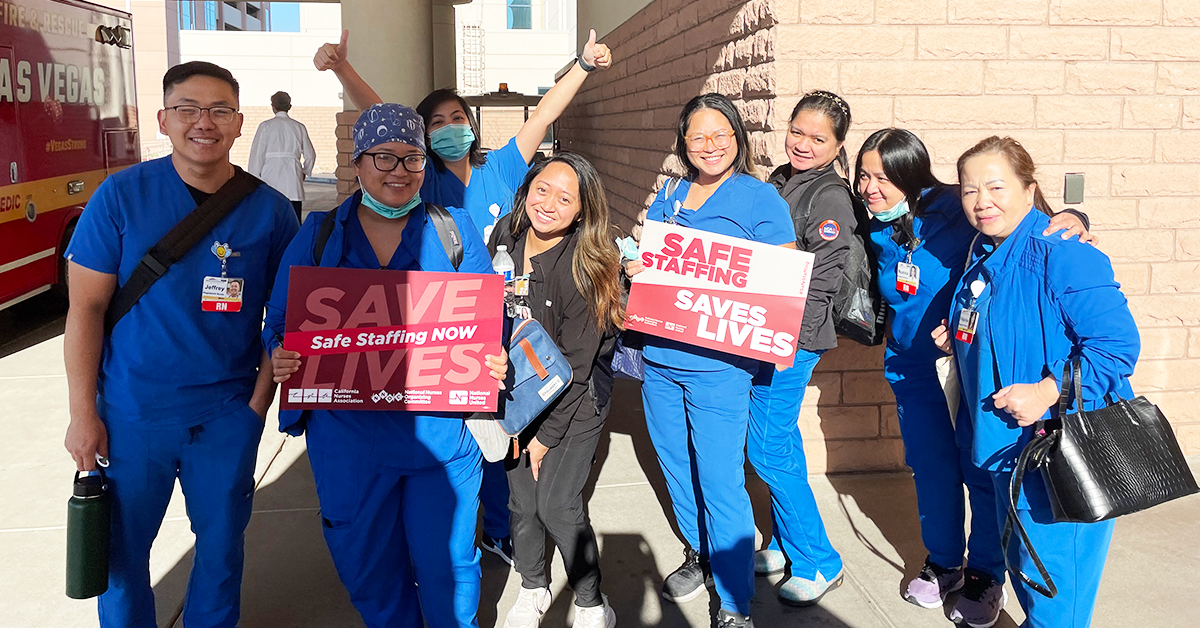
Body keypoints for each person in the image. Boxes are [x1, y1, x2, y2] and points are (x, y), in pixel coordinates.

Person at [314, 27, 611, 564]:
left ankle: (500, 529)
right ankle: (481, 525)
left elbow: (543, 114)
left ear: (471, 125)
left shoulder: (499, 168)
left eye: (457, 118)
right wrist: (342, 71)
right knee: (472, 433)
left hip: (510, 322)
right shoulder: (421, 182)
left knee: (508, 430)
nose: (449, 128)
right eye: (436, 122)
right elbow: (380, 109)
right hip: (447, 331)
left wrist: (583, 67)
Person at [62, 61, 299, 628]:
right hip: (133, 414)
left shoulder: (267, 210)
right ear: (164, 119)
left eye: (219, 110)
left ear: (240, 123)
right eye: (189, 109)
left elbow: (286, 317)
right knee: (122, 559)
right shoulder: (121, 197)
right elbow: (86, 309)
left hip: (226, 415)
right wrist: (82, 413)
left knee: (220, 553)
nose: (204, 122)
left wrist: (257, 405)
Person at [264, 103, 509, 628]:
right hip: (350, 443)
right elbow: (282, 320)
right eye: (384, 157)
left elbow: (489, 319)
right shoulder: (320, 234)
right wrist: (281, 354)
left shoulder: (455, 230)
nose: (400, 171)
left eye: (412, 159)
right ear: (358, 163)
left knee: (452, 567)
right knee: (368, 570)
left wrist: (495, 355)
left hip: (442, 440)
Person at [856, 129, 1092, 626]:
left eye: (884, 175)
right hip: (915, 372)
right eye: (863, 174)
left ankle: (985, 575)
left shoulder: (957, 212)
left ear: (913, 174)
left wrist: (1075, 218)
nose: (870, 186)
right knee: (933, 469)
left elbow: (1029, 224)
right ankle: (944, 563)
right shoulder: (870, 221)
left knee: (985, 475)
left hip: (969, 376)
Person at [933, 136, 1138, 628]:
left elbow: (1116, 347)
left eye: (996, 187)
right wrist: (959, 337)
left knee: (1056, 595)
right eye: (969, 190)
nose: (982, 201)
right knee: (1029, 577)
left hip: (1058, 457)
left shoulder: (1064, 253)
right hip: (1003, 452)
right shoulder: (983, 253)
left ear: (1030, 190)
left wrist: (1048, 392)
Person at [625, 93, 797, 628]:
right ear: (683, 143)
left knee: (720, 477)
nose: (710, 146)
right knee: (676, 467)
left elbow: (782, 275)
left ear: (738, 138)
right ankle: (700, 553)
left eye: (721, 134)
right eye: (697, 136)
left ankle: (734, 600)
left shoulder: (758, 197)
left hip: (720, 369)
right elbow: (650, 258)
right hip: (659, 359)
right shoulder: (672, 191)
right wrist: (637, 264)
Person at [488, 153, 623, 628]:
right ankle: (533, 587)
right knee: (522, 504)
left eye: (566, 198)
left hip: (574, 399)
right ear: (527, 190)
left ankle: (590, 601)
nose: (549, 203)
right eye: (542, 189)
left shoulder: (587, 266)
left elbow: (578, 367)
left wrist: (545, 439)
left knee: (558, 504)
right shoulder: (505, 235)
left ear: (583, 211)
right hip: (516, 391)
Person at [746, 90, 856, 607]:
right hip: (763, 332)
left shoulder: (829, 197)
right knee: (777, 442)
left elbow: (824, 280)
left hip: (791, 340)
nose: (804, 144)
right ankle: (788, 544)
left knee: (767, 446)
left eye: (819, 138)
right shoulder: (782, 181)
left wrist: (784, 342)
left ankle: (819, 560)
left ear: (837, 147)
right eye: (798, 132)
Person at [247, 90, 317, 221]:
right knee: (294, 219)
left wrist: (254, 179)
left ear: (273, 106)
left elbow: (257, 156)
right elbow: (310, 155)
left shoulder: (265, 126)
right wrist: (304, 171)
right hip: (293, 179)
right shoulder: (299, 127)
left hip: (270, 177)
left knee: (270, 218)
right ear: (289, 106)